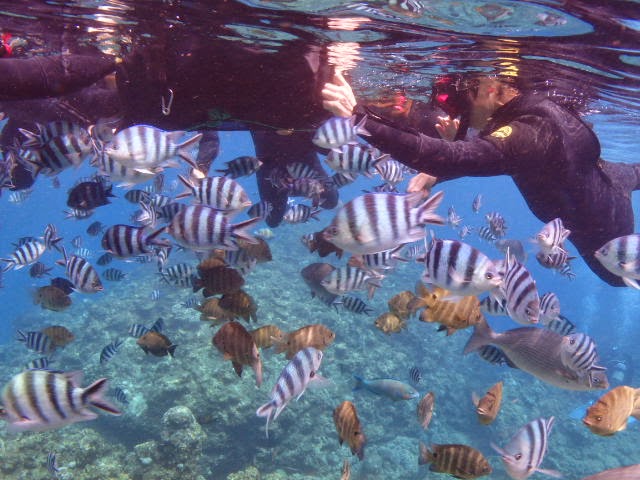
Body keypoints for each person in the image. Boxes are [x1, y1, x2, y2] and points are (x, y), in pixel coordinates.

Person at [0, 5, 350, 226]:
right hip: (169, 100)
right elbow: (70, 74)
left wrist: (335, 115)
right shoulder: (142, 78)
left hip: (204, 106)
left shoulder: (307, 88)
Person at [322, 70, 640, 287]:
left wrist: (359, 119)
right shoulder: (528, 117)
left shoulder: (528, 134)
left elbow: (459, 155)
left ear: (491, 89)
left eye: (464, 101)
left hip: (606, 227)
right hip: (607, 177)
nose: (456, 113)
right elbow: (484, 154)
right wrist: (437, 174)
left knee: (616, 276)